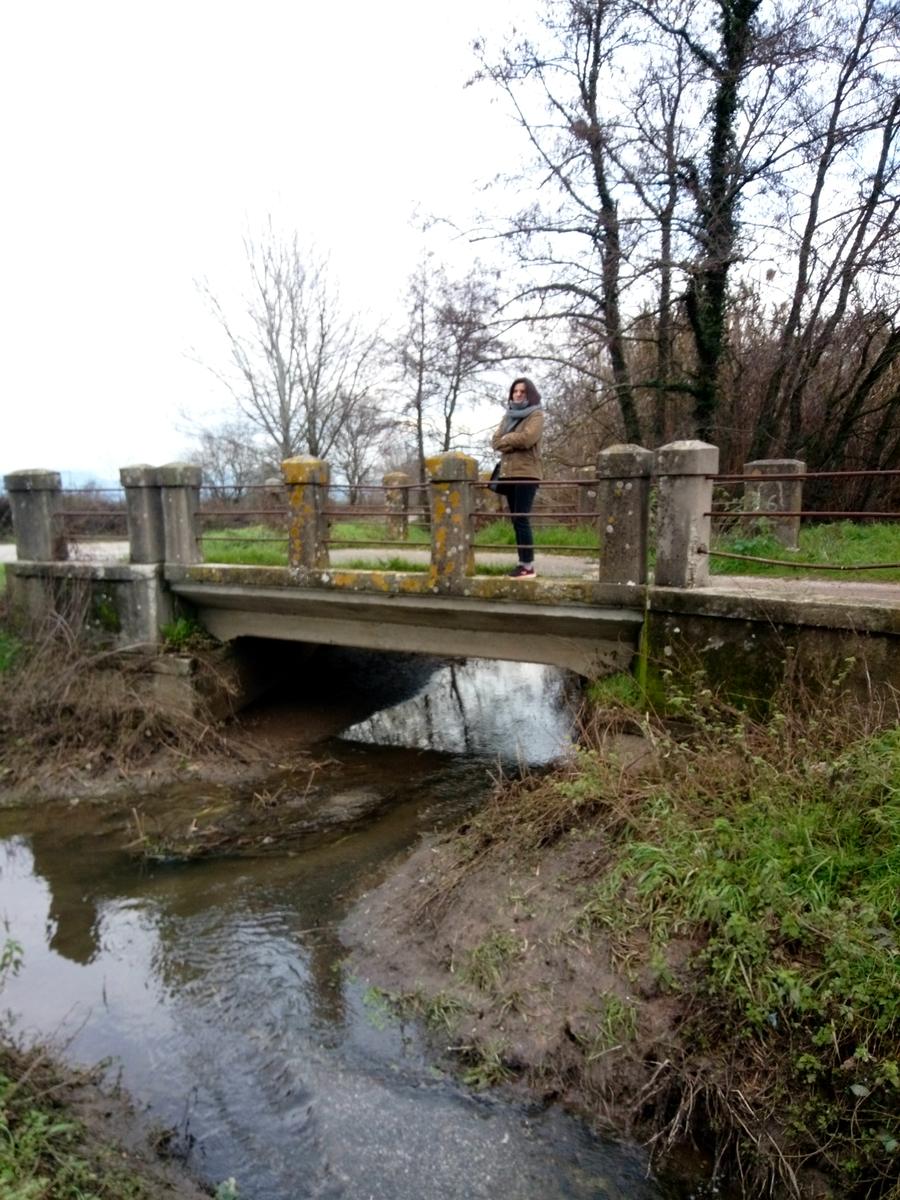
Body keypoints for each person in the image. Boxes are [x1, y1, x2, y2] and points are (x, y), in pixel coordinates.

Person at [491, 377, 544, 578]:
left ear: (529, 394)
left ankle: (528, 566)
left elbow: (528, 438)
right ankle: (522, 563)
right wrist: (509, 440)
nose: (518, 394)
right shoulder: (508, 417)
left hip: (527, 473)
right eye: (515, 391)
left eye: (522, 391)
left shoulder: (536, 415)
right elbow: (495, 441)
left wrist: (507, 439)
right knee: (516, 519)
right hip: (509, 473)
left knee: (522, 518)